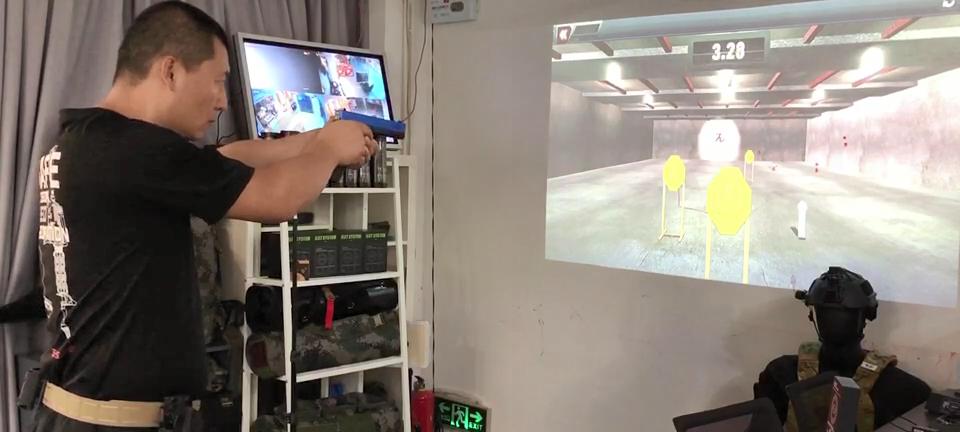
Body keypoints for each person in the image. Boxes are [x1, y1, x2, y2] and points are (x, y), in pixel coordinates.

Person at [32, 2, 377, 431]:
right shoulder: (138, 150)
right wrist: (330, 149)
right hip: (115, 422)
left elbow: (224, 158)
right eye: (217, 81)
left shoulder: (86, 142)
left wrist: (316, 138)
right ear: (171, 71)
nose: (221, 101)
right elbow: (278, 199)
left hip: (79, 410)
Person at [753, 267, 930, 432]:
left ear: (813, 316)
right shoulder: (905, 388)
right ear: (866, 317)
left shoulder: (780, 372)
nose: (835, 321)